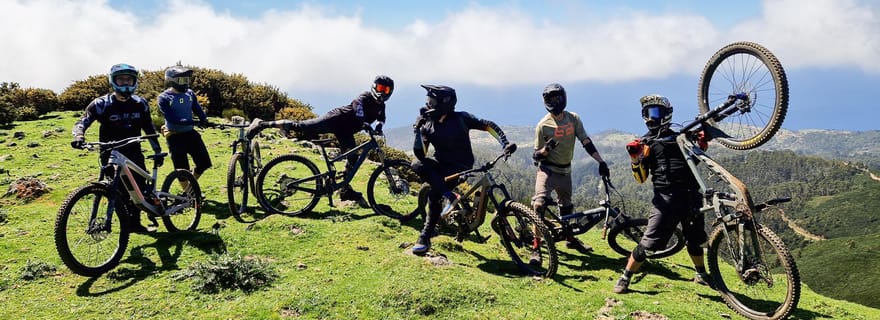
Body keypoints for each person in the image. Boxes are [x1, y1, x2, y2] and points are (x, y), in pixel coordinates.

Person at [613, 94, 711, 294]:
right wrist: (635, 159)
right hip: (665, 200)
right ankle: (625, 278)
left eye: (654, 112)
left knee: (694, 239)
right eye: (647, 113)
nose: (650, 118)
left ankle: (701, 274)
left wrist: (701, 142)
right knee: (649, 245)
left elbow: (699, 157)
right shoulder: (646, 144)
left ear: (666, 114)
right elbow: (640, 178)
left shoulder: (681, 137)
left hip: (691, 195)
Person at [246, 75, 395, 207]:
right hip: (335, 119)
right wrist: (365, 123)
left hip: (346, 131)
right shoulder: (364, 97)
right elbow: (359, 110)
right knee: (302, 126)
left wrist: (379, 127)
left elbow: (381, 118)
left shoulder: (381, 105)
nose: (382, 92)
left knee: (353, 158)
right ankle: (261, 124)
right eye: (380, 87)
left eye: (386, 90)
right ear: (374, 87)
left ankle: (344, 190)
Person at [410, 84, 515, 255]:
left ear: (445, 103)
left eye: (432, 101)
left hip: (461, 168)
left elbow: (488, 125)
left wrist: (505, 143)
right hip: (440, 164)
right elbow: (421, 154)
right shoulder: (428, 125)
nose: (428, 104)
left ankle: (433, 221)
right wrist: (417, 131)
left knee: (435, 193)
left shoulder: (461, 118)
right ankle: (428, 231)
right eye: (428, 100)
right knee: (418, 166)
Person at [70, 63, 163, 234]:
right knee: (118, 191)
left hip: (134, 152)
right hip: (110, 153)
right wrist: (79, 136)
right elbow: (82, 122)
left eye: (129, 80)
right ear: (113, 82)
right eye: (121, 80)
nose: (126, 84)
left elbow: (149, 129)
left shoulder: (140, 104)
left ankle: (136, 224)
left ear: (135, 82)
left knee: (138, 191)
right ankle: (123, 224)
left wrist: (157, 150)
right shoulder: (100, 104)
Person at [531, 83, 609, 257]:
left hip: (566, 171)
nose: (555, 101)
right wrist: (546, 150)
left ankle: (570, 238)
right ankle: (536, 246)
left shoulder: (573, 118)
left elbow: (586, 141)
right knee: (539, 205)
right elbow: (536, 156)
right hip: (547, 171)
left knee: (566, 207)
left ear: (563, 98)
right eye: (551, 99)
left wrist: (600, 161)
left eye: (557, 97)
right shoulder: (543, 126)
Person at [157, 65, 212, 182]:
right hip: (174, 136)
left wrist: (204, 119)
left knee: (204, 163)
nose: (185, 83)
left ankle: (192, 189)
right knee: (182, 170)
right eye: (182, 80)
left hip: (190, 133)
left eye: (187, 79)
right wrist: (193, 121)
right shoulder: (164, 98)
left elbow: (197, 108)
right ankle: (188, 194)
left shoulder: (190, 94)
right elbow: (172, 119)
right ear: (171, 81)